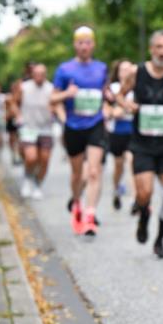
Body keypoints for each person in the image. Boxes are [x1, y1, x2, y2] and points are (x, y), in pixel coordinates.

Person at [119, 31, 163, 258]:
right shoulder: (136, 72)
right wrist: (127, 105)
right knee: (144, 193)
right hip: (143, 143)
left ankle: (159, 240)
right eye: (158, 47)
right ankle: (143, 216)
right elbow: (119, 95)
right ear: (151, 49)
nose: (162, 52)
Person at [51, 26, 110, 236]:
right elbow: (53, 98)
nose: (84, 46)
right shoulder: (64, 69)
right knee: (77, 174)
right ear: (75, 45)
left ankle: (90, 215)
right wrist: (67, 94)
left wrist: (108, 103)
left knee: (94, 171)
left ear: (93, 45)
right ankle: (76, 202)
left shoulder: (102, 68)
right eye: (80, 42)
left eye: (88, 42)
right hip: (73, 126)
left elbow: (105, 94)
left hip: (95, 124)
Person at [18, 64, 55, 199]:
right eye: (37, 74)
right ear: (32, 74)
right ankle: (27, 178)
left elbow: (57, 104)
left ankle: (37, 185)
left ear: (46, 75)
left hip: (46, 128)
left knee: (44, 159)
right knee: (31, 157)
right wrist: (17, 115)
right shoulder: (23, 87)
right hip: (28, 127)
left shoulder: (51, 88)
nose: (39, 76)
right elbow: (13, 102)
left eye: (42, 74)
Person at [106, 59, 136, 210]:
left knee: (132, 162)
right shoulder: (113, 88)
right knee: (119, 166)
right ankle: (116, 188)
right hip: (117, 131)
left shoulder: (137, 87)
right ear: (118, 73)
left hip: (133, 130)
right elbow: (109, 111)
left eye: (129, 69)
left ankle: (134, 198)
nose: (126, 72)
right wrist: (119, 110)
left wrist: (124, 109)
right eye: (123, 70)